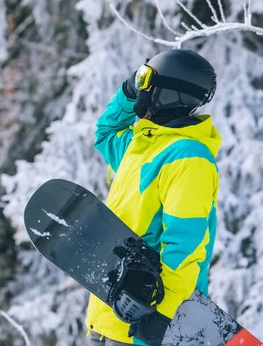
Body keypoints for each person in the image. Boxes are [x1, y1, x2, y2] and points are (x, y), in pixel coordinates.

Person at [85, 49, 222, 345]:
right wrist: (128, 90)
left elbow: (187, 247)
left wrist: (163, 317)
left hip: (145, 326)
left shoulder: (187, 159)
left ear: (171, 93)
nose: (142, 90)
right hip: (108, 318)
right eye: (140, 80)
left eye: (147, 80)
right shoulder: (139, 146)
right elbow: (105, 131)